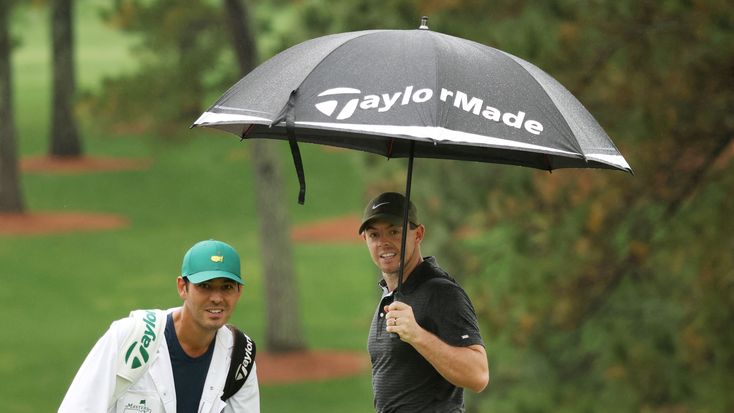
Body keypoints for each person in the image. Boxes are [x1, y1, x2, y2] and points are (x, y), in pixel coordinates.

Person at [58, 239, 260, 413]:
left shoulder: (240, 356)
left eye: (226, 287)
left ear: (239, 291)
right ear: (183, 287)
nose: (216, 298)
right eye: (205, 286)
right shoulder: (130, 336)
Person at [359, 192, 489, 412]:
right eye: (374, 235)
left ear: (418, 234)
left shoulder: (441, 292)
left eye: (394, 232)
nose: (383, 243)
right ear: (365, 240)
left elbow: (478, 375)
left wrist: (417, 335)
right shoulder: (391, 294)